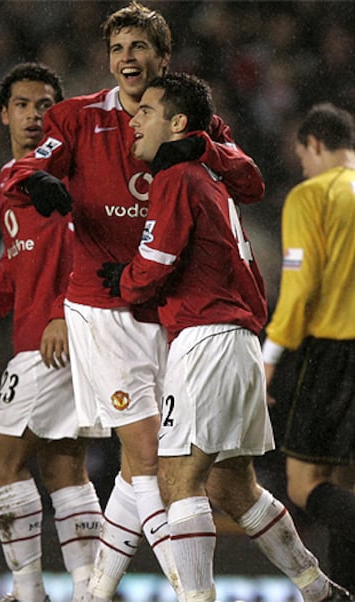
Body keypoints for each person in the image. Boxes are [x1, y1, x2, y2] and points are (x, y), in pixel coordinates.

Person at [3, 4, 266, 601]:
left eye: (140, 46)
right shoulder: (76, 117)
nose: (128, 57)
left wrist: (201, 148)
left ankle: (93, 593)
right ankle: (191, 591)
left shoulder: (188, 121)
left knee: (138, 465)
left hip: (165, 308)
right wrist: (36, 182)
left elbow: (250, 182)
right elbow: (23, 170)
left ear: (162, 58)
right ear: (108, 58)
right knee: (150, 454)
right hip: (103, 306)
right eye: (118, 47)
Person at [99, 73, 354, 601]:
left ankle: (197, 599)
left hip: (206, 340)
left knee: (178, 480)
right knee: (233, 486)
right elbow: (248, 182)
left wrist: (120, 280)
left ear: (176, 123)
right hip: (237, 340)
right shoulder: (209, 177)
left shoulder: (176, 177)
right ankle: (317, 588)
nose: (134, 119)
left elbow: (155, 265)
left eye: (146, 110)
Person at [0, 63, 109, 602]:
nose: (34, 114)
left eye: (45, 105)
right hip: (45, 332)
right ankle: (90, 589)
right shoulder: (9, 178)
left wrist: (65, 311)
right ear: (4, 113)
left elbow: (89, 248)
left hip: (59, 333)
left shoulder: (68, 172)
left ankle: (29, 591)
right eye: (22, 104)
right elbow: (17, 267)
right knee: (63, 463)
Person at [262, 102, 355, 593]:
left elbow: (299, 291)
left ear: (315, 145)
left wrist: (269, 359)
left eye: (302, 159)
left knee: (304, 484)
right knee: (344, 486)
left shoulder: (312, 196)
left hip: (335, 354)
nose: (303, 168)